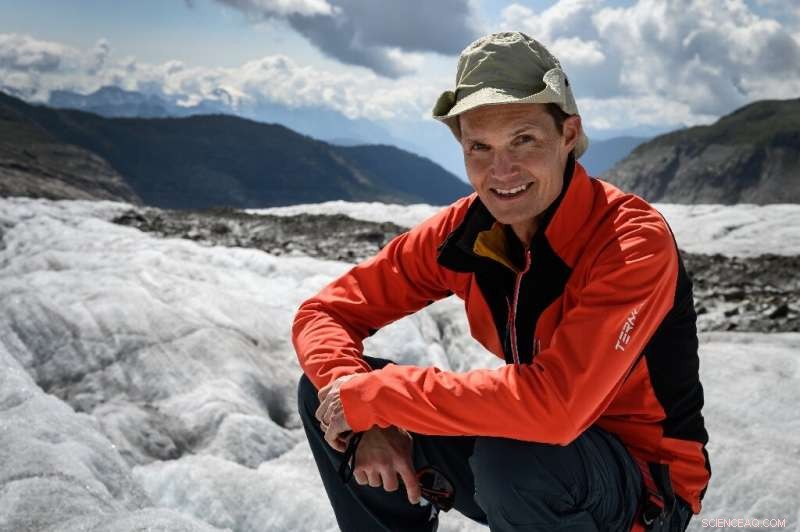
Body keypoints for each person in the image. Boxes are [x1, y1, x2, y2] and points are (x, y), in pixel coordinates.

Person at [293, 31, 710, 532]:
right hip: (535, 453)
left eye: (524, 140)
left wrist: (377, 397)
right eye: (479, 147)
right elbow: (326, 313)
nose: (501, 170)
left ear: (569, 134)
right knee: (326, 398)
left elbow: (557, 407)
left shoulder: (628, 241)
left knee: (514, 459)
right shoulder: (465, 233)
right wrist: (362, 412)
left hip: (643, 489)